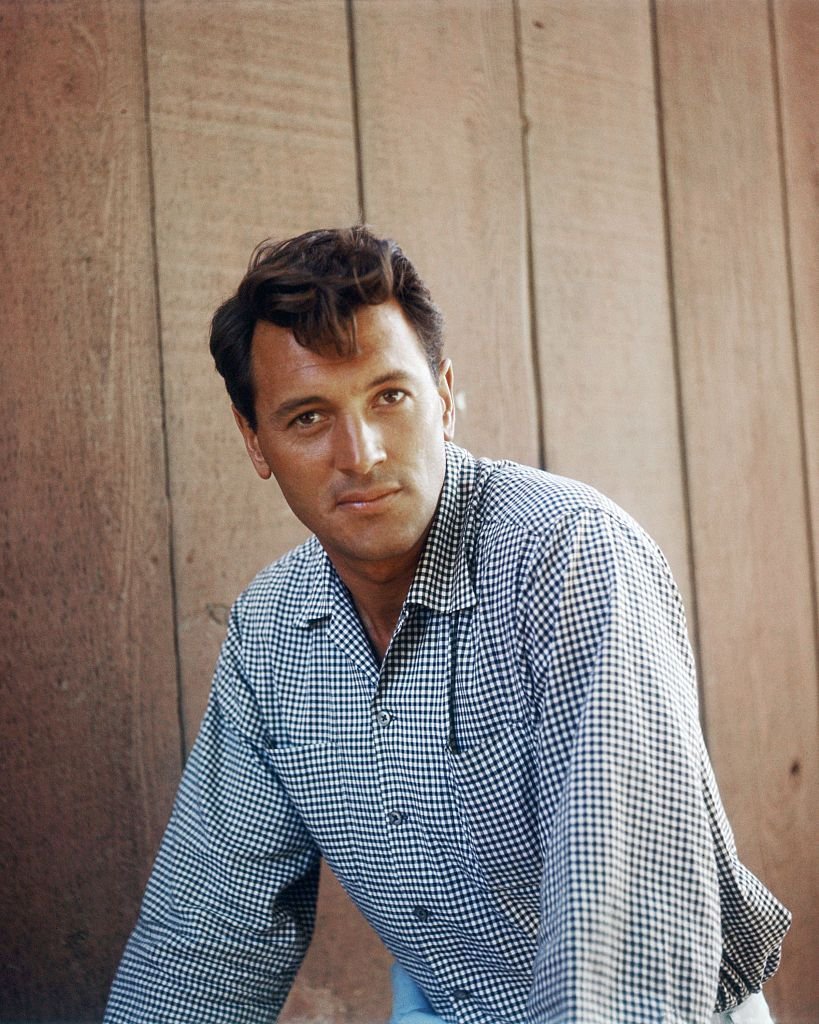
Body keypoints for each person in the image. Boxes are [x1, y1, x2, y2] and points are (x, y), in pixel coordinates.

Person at [104, 227, 790, 1024]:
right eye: (306, 417)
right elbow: (211, 930)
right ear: (254, 441)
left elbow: (623, 918)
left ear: (443, 397)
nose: (357, 453)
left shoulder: (569, 557)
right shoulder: (271, 630)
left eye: (388, 397)